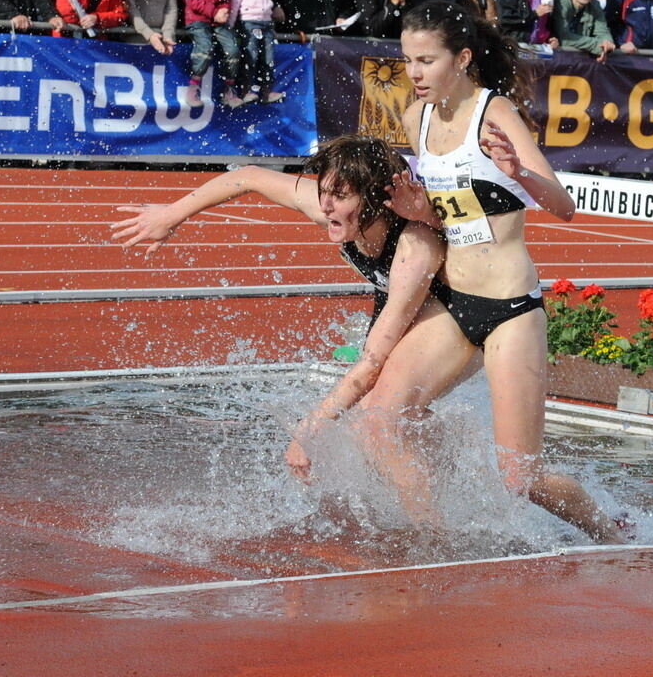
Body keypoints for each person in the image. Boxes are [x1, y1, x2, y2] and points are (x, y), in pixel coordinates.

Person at [377, 0, 625, 544]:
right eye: (407, 60)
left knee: (522, 477)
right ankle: (432, 534)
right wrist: (419, 211)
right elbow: (449, 216)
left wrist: (518, 173)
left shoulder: (496, 113)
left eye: (426, 60)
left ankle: (611, 532)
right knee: (382, 417)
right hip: (454, 302)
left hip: (511, 308)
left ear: (462, 58)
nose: (414, 73)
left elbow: (563, 205)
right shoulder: (415, 118)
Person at [111, 135, 448, 513]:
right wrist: (172, 215)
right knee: (373, 423)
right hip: (400, 301)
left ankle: (432, 532)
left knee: (376, 422)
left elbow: (372, 361)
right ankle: (440, 464)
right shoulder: (333, 206)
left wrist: (308, 431)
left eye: (340, 196)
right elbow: (249, 176)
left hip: (453, 316)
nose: (325, 206)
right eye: (324, 191)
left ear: (373, 199)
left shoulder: (415, 244)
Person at [180, 0, 242, 107]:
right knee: (205, 49)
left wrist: (224, 10)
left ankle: (229, 88)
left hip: (217, 22)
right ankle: (193, 86)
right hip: (197, 20)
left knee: (233, 49)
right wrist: (213, 11)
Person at [229, 0, 285, 103]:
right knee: (250, 56)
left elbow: (266, 1)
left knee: (268, 58)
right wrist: (231, 24)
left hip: (265, 23)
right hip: (249, 22)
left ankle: (267, 91)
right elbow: (235, 1)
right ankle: (245, 90)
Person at [552, 0, 616, 62]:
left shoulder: (595, 5)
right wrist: (597, 46)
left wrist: (607, 44)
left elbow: (602, 30)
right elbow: (564, 37)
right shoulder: (561, 2)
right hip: (557, 58)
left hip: (580, 59)